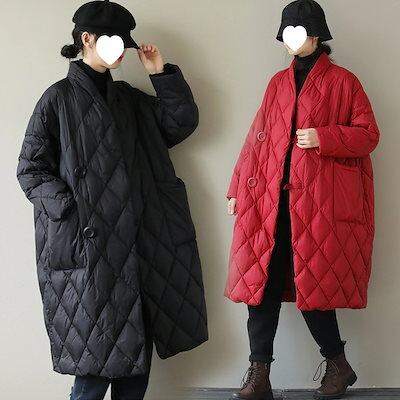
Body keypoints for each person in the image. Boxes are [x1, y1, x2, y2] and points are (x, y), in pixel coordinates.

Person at [16, 1, 208, 399]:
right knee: (92, 370)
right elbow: (30, 170)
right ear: (87, 39)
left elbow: (179, 124)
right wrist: (72, 209)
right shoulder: (57, 100)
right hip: (89, 251)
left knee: (135, 365)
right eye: (114, 40)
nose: (121, 50)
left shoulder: (130, 100)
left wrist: (161, 75)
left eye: (125, 43)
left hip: (138, 244)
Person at [225, 1, 380, 399]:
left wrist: (324, 136)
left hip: (318, 206)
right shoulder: (277, 83)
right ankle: (259, 375)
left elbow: (369, 135)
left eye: (298, 32)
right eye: (286, 33)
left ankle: (338, 364)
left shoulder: (344, 82)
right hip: (270, 201)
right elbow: (257, 138)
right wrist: (237, 188)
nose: (290, 40)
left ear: (316, 35)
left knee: (314, 285)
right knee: (260, 285)